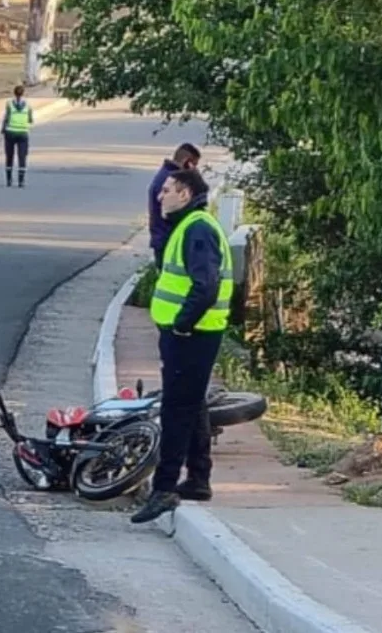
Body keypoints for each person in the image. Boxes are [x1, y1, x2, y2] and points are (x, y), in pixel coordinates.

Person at [131, 168, 233, 524]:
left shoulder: (197, 229)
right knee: (192, 404)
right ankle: (198, 479)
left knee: (176, 408)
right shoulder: (190, 225)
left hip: (192, 335)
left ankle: (164, 489)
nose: (160, 196)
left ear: (186, 194)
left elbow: (207, 285)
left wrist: (182, 324)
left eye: (168, 190)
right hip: (192, 334)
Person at [147, 143, 201, 270]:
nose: (195, 169)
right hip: (169, 240)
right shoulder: (172, 181)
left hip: (163, 239)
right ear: (187, 162)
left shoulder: (166, 175)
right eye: (194, 165)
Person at [0, 84, 33, 187]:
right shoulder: (28, 105)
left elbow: (6, 118)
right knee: (22, 156)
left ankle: (9, 180)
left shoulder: (9, 104)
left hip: (10, 132)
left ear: (14, 93)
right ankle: (21, 181)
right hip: (23, 133)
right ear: (23, 93)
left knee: (9, 156)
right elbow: (30, 120)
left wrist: (2, 130)